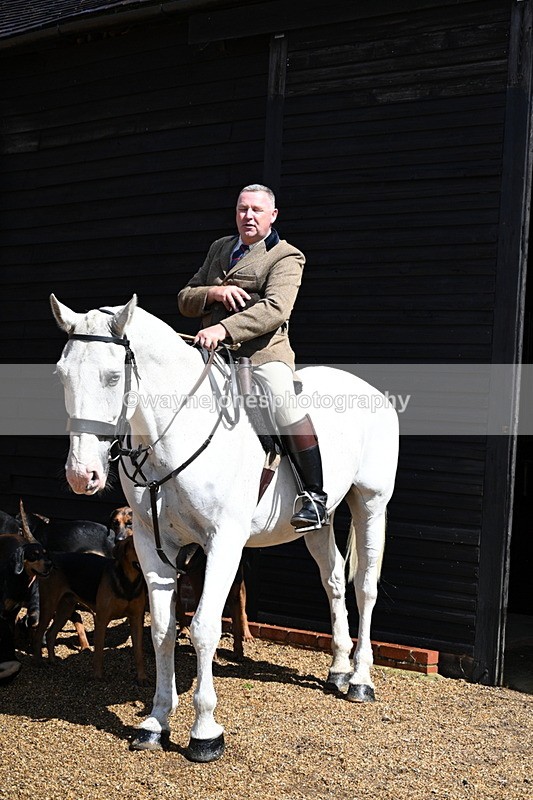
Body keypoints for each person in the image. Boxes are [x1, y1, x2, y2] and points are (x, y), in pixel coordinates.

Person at [177, 184, 328, 530]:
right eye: (243, 209)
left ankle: (314, 497)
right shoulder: (219, 248)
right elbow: (185, 299)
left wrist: (224, 329)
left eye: (257, 210)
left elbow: (275, 309)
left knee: (282, 399)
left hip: (262, 355)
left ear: (272, 216)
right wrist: (213, 291)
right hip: (210, 353)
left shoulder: (287, 256)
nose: (248, 216)